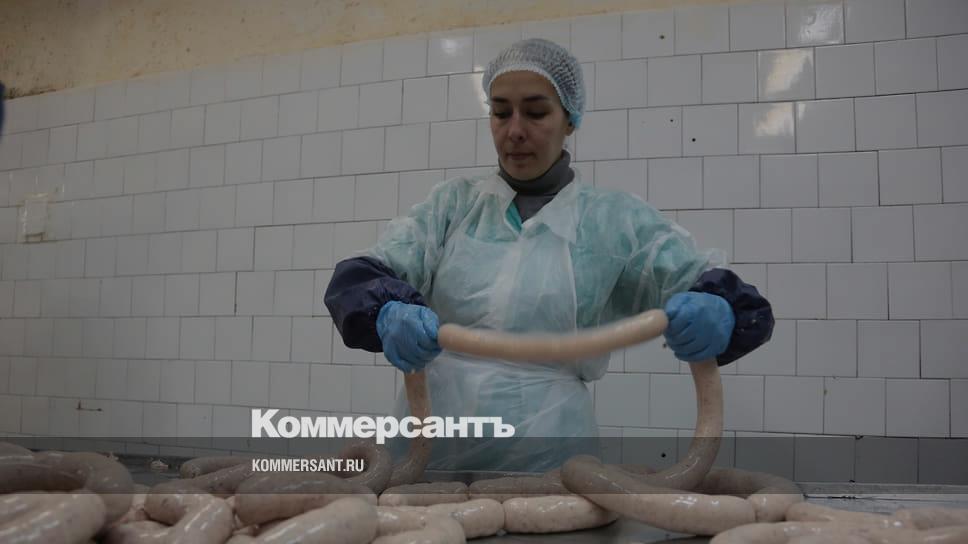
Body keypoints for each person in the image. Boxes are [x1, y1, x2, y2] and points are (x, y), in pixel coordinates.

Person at [325, 38, 773, 473]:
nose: (515, 130)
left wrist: (720, 308)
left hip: (548, 458)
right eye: (501, 112)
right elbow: (358, 278)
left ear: (570, 119)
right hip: (426, 453)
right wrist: (385, 310)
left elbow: (721, 291)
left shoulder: (613, 221)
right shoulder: (452, 206)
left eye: (536, 112)